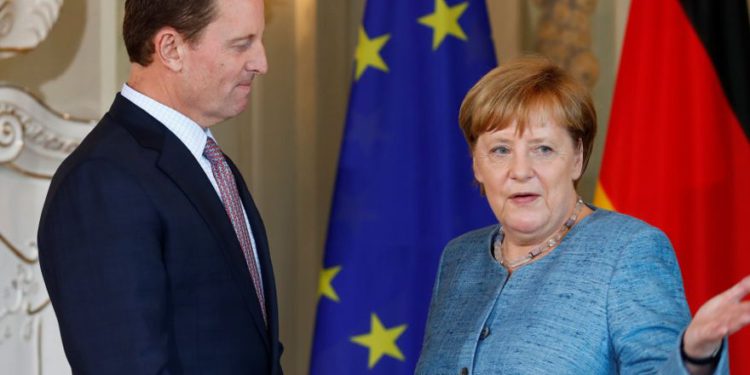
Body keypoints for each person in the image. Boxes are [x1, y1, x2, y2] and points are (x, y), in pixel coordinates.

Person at [415, 56, 750, 374]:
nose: (520, 171)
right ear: (476, 163)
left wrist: (693, 355)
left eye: (542, 149)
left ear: (577, 158)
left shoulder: (628, 250)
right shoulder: (458, 258)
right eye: (500, 150)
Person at [36, 0, 283, 373]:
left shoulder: (211, 163)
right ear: (170, 49)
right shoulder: (101, 180)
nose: (261, 63)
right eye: (241, 44)